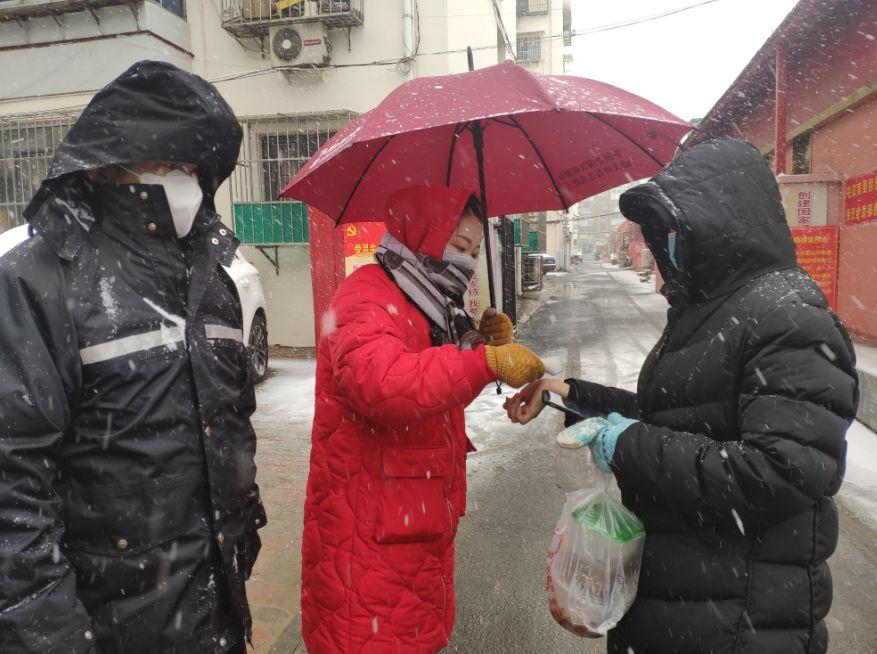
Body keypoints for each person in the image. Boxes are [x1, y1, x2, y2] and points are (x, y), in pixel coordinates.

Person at [507, 139, 858, 654]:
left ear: (719, 223)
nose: (661, 245)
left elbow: (779, 472)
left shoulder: (788, 316)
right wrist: (573, 394)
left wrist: (624, 445)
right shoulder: (711, 309)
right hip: (686, 606)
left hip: (739, 621)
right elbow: (675, 419)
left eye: (673, 230)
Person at [0, 61, 266, 654]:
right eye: (169, 164)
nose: (187, 183)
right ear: (105, 164)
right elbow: (12, 491)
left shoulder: (211, 279)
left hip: (213, 611)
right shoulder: (40, 282)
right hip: (110, 626)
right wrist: (54, 636)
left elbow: (232, 425)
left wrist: (244, 531)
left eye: (196, 168)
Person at [301, 185, 545, 652]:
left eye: (474, 251)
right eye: (458, 247)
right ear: (422, 233)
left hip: (412, 525)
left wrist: (475, 342)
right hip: (370, 533)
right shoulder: (367, 295)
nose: (468, 262)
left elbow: (432, 385)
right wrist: (484, 363)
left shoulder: (426, 298)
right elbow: (385, 384)